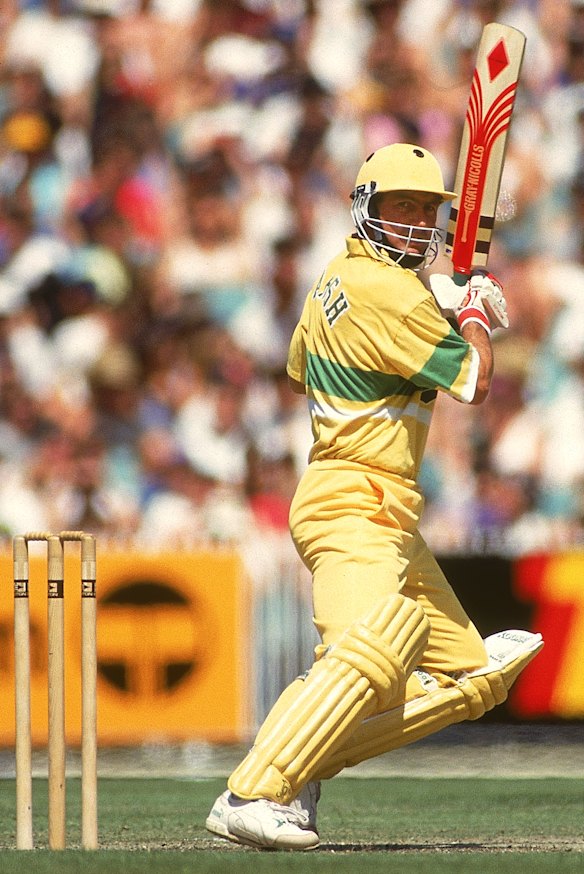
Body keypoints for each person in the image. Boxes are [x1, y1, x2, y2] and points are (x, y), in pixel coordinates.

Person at [205, 143, 543, 850]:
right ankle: (254, 792)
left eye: (428, 211)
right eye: (402, 210)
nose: (419, 224)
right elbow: (475, 383)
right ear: (366, 211)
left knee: (474, 677)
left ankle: (308, 760)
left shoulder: (337, 277)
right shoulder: (387, 291)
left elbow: (301, 370)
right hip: (353, 500)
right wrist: (473, 312)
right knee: (368, 653)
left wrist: (432, 309)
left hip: (384, 509)